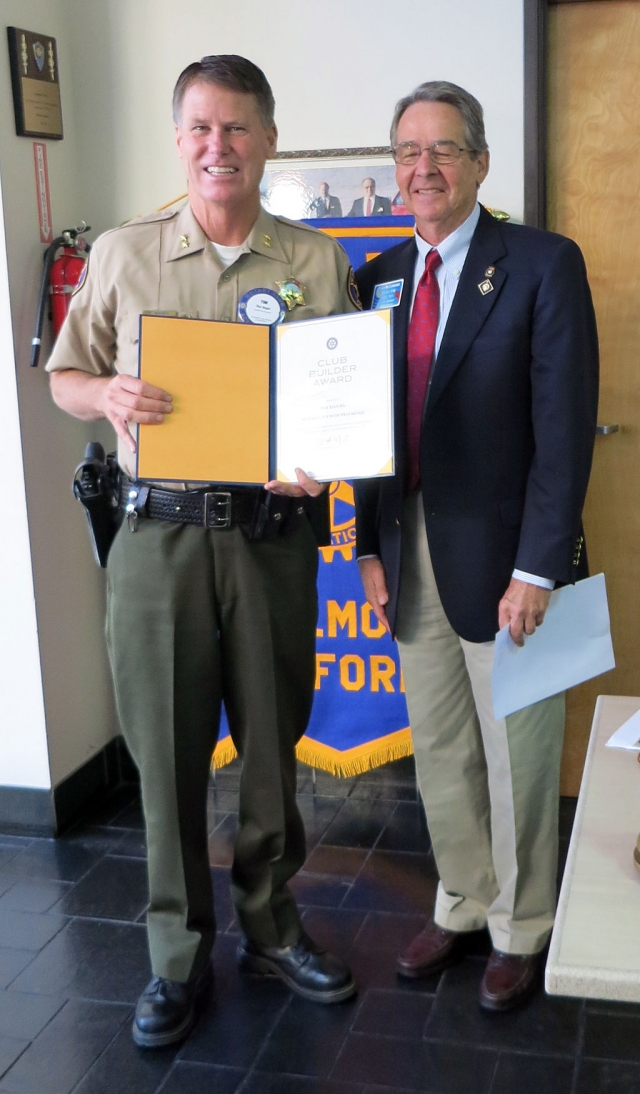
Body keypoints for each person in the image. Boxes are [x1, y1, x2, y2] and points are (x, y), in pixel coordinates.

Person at [47, 54, 360, 1049]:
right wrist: (109, 396)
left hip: (271, 541)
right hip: (158, 540)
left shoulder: (314, 263)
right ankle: (174, 953)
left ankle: (271, 924)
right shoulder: (123, 254)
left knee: (273, 744)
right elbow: (65, 375)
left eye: (236, 128)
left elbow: (346, 400)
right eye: (199, 129)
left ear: (268, 139)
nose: (216, 146)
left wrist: (325, 459)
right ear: (178, 138)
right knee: (166, 755)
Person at [354, 81, 598, 1012]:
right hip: (408, 550)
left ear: (482, 162)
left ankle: (523, 924)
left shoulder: (541, 264)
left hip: (512, 562)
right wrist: (368, 545)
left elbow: (563, 429)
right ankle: (462, 901)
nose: (425, 168)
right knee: (443, 747)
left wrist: (540, 566)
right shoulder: (375, 274)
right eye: (408, 151)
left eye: (445, 149)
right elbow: (364, 425)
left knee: (520, 755)